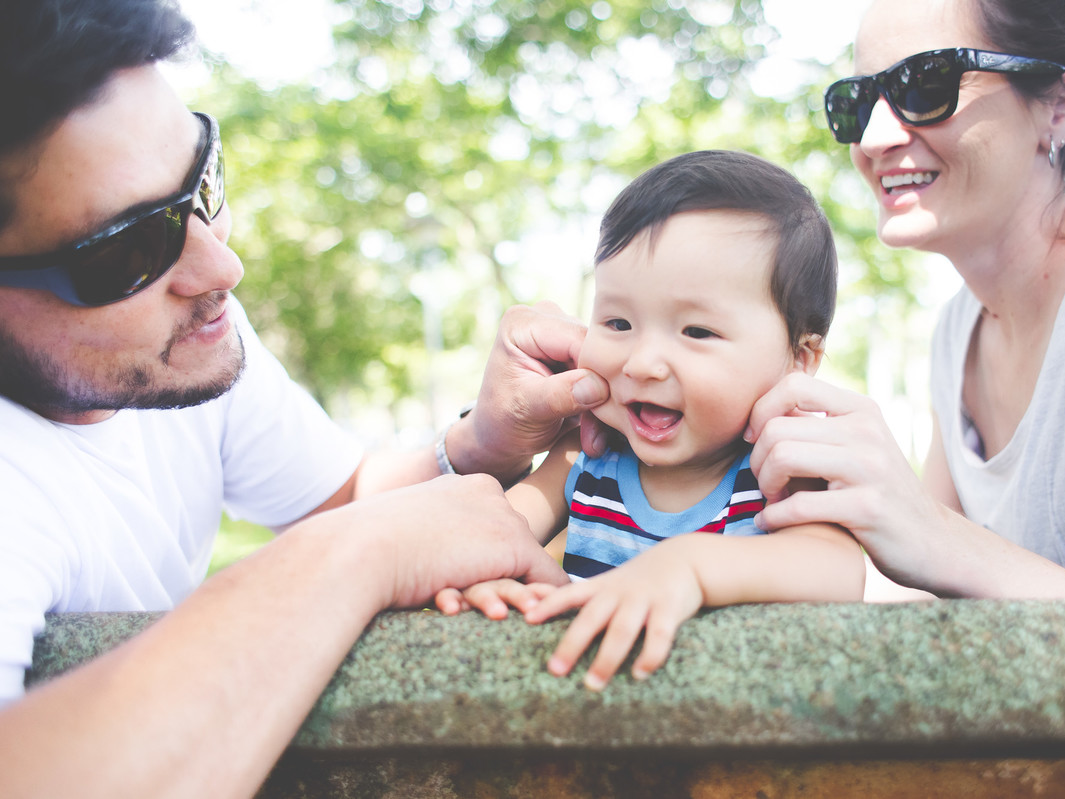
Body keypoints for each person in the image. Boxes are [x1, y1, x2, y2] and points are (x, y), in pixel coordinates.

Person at [0, 1, 611, 795]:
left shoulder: (184, 334)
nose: (222, 270)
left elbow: (343, 495)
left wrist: (483, 442)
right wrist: (361, 555)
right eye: (130, 250)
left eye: (202, 184)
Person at [745, 0, 1065, 599]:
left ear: (1062, 107)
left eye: (928, 83)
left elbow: (940, 543)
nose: (875, 137)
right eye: (857, 102)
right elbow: (936, 590)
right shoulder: (958, 328)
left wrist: (934, 533)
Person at [437, 151, 866, 690]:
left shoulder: (778, 468)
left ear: (798, 360)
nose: (642, 363)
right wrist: (484, 574)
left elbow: (836, 568)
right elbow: (497, 529)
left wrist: (689, 567)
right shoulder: (588, 455)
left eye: (696, 332)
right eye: (618, 322)